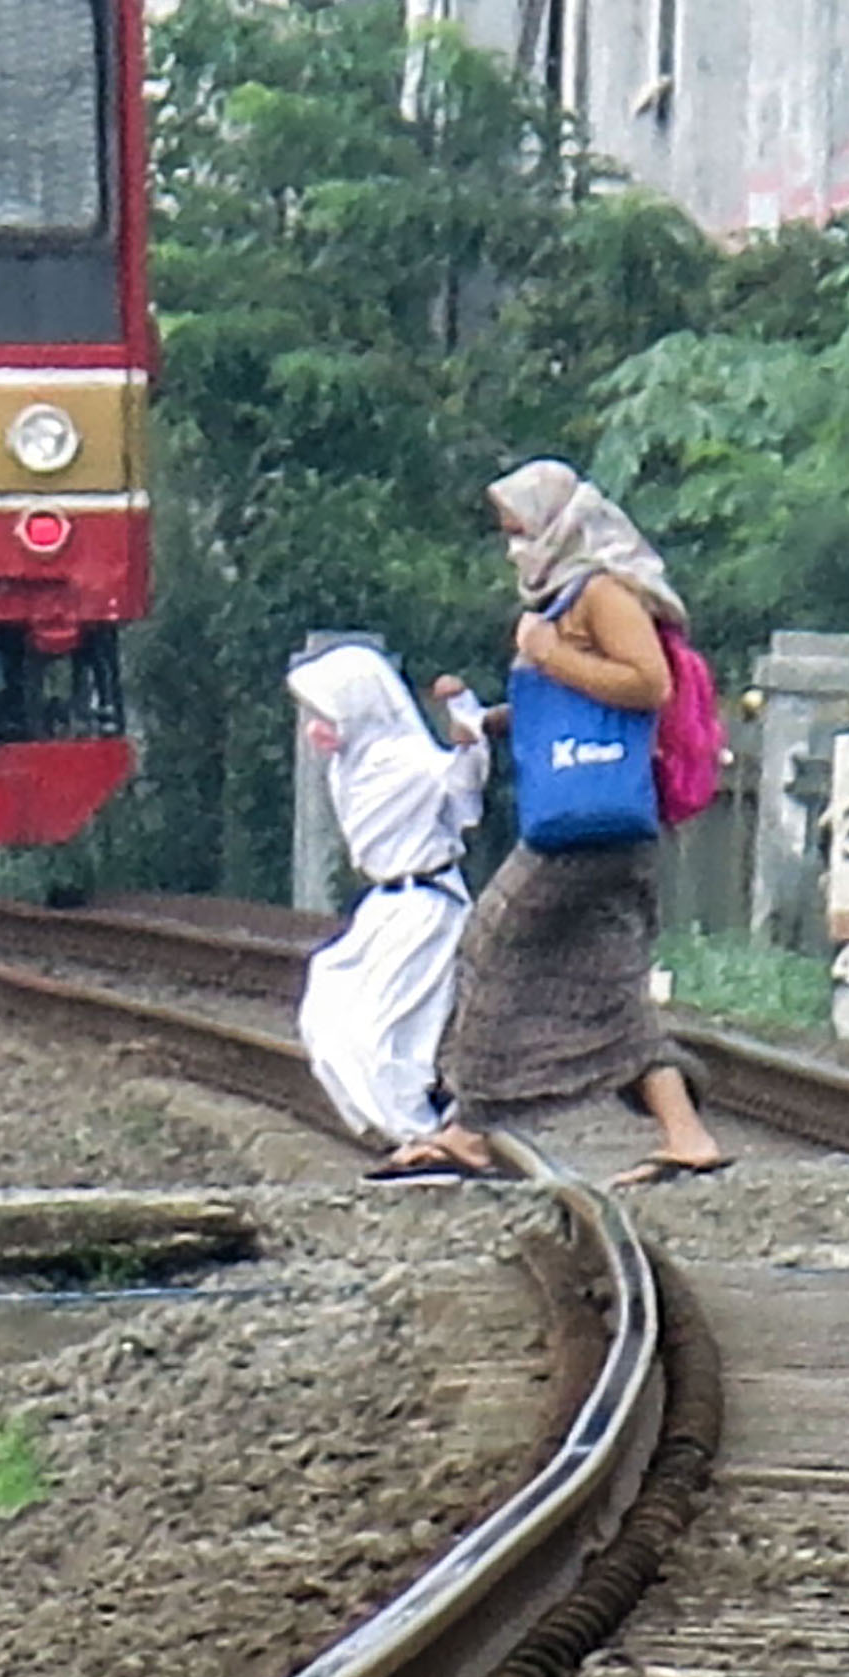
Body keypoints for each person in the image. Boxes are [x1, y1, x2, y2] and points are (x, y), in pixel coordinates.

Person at [376, 460, 737, 1187]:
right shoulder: (565, 596)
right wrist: (491, 721)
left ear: (559, 525)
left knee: (493, 944)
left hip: (589, 827)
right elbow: (575, 708)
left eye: (520, 533)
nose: (514, 550)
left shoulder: (602, 591)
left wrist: (548, 652)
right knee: (610, 988)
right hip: (602, 828)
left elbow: (646, 686)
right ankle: (686, 1135)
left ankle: (468, 1130)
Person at [287, 639, 490, 1153]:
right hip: (385, 904)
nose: (317, 725)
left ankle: (422, 1133)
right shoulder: (348, 769)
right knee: (330, 1009)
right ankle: (408, 1130)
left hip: (425, 905)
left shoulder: (408, 761)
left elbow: (462, 783)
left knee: (387, 1028)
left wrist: (466, 724)